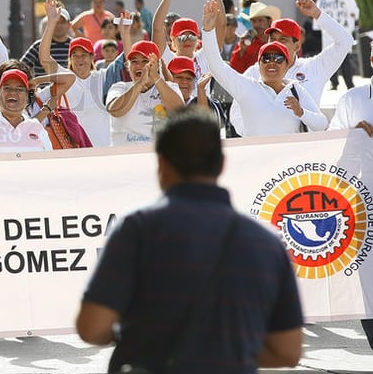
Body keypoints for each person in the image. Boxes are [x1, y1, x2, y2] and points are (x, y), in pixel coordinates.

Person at [76, 107, 303, 372]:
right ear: (222, 163)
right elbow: (287, 352)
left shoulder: (136, 229)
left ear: (161, 163)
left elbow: (92, 328)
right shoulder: (267, 243)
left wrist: (137, 336)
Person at [201, 0, 327, 136]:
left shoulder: (296, 90)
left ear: (287, 67)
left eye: (278, 58)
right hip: (256, 156)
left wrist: (302, 112)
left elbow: (322, 124)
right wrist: (208, 30)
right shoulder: (247, 86)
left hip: (290, 157)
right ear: (259, 65)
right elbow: (216, 65)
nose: (272, 62)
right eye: (266, 58)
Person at [229, 0, 353, 136]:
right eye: (272, 39)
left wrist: (317, 14)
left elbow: (345, 41)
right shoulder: (254, 72)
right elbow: (235, 112)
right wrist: (254, 135)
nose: (277, 43)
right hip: (263, 149)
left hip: (303, 150)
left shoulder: (313, 67)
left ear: (297, 45)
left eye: (283, 39)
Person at [40, 0, 135, 148]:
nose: (79, 59)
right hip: (74, 152)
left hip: (104, 150)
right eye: (75, 55)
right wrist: (51, 24)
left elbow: (129, 61)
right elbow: (44, 58)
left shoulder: (103, 76)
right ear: (70, 58)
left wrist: (125, 35)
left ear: (92, 57)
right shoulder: (66, 78)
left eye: (83, 55)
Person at [328, 53, 373, 351]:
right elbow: (330, 152)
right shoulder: (353, 99)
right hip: (363, 203)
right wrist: (352, 137)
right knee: (368, 282)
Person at [106, 41, 185, 145]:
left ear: (156, 66)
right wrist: (139, 84)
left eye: (145, 61)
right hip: (124, 157)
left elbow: (179, 111)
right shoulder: (120, 87)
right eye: (134, 62)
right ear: (128, 66)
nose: (140, 66)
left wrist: (155, 77)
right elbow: (115, 111)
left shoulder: (170, 87)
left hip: (157, 157)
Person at [315, 0, 359, 90]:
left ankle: (349, 83)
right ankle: (334, 82)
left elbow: (355, 12)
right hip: (329, 35)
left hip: (344, 32)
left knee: (346, 59)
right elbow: (317, 12)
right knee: (331, 58)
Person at [230, 0, 281, 73]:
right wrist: (242, 50)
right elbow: (235, 71)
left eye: (260, 20)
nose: (257, 24)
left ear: (269, 21)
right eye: (254, 21)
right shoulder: (245, 42)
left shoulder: (278, 41)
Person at [21, 3, 72, 76]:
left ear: (69, 25)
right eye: (56, 22)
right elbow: (22, 68)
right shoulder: (39, 46)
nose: (59, 25)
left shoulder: (75, 46)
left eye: (62, 22)